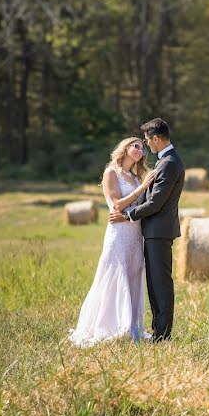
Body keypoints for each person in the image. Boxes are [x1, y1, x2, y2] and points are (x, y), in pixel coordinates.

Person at [69, 137, 156, 346]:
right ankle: (109, 326)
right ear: (125, 148)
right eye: (135, 145)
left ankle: (131, 326)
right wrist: (144, 185)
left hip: (135, 234)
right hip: (118, 233)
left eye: (142, 148)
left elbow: (139, 207)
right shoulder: (111, 173)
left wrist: (142, 184)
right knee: (115, 275)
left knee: (133, 276)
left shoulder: (135, 177)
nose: (139, 150)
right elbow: (117, 205)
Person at [109, 117, 185, 342]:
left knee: (160, 283)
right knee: (154, 282)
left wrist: (127, 215)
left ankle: (163, 336)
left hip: (159, 232)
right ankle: (158, 331)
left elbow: (155, 203)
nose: (146, 144)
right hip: (155, 232)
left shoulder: (169, 163)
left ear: (157, 138)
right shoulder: (166, 161)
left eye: (148, 140)